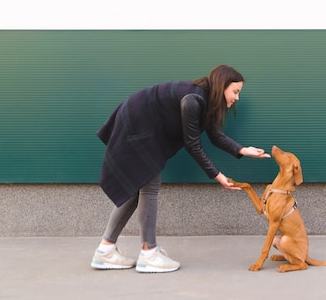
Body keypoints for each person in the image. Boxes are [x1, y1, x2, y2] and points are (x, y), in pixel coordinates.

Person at [90, 65, 270, 273]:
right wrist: (218, 175)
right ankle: (149, 253)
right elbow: (192, 144)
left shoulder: (204, 99)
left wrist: (243, 150)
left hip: (141, 124)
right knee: (149, 184)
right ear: (222, 87)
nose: (237, 98)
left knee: (139, 186)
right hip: (137, 124)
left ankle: (105, 251)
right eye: (235, 92)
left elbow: (214, 134)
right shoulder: (193, 100)